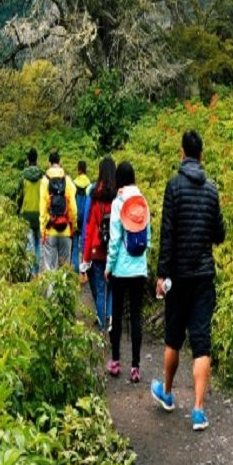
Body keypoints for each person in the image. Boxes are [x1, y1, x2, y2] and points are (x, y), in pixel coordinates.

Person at [150, 130, 225, 432]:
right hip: (203, 276)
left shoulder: (174, 187)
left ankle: (167, 394)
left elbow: (167, 234)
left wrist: (161, 274)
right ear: (201, 155)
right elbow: (219, 234)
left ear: (182, 153)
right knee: (201, 343)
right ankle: (197, 411)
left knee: (173, 337)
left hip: (178, 277)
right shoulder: (211, 190)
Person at [105, 161, 150, 383]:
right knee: (136, 317)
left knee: (117, 313)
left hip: (120, 270)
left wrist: (108, 266)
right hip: (139, 269)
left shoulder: (118, 203)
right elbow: (148, 239)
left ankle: (115, 361)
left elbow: (114, 240)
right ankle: (135, 366)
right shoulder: (143, 202)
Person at [81, 156, 116, 332]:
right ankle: (110, 319)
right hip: (113, 250)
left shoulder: (95, 195)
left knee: (100, 290)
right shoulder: (117, 196)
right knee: (111, 287)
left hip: (97, 248)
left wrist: (85, 255)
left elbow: (90, 229)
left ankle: (102, 326)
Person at [39, 150, 78, 273]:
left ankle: (51, 292)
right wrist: (73, 226)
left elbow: (42, 207)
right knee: (64, 270)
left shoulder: (45, 180)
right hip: (65, 229)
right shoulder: (67, 180)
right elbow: (73, 207)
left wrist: (43, 228)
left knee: (50, 270)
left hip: (50, 229)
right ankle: (63, 292)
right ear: (60, 162)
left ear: (49, 163)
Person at [16, 148, 44, 274]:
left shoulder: (23, 177)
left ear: (28, 160)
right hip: (39, 214)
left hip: (26, 214)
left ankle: (29, 272)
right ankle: (36, 273)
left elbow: (19, 196)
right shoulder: (42, 176)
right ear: (37, 160)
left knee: (28, 246)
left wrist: (18, 209)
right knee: (38, 244)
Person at [72, 160, 91, 272]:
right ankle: (83, 272)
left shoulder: (73, 183)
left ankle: (74, 271)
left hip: (75, 218)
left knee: (74, 246)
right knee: (84, 245)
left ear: (78, 169)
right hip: (85, 219)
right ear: (86, 169)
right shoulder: (89, 185)